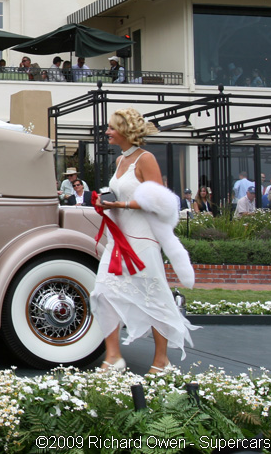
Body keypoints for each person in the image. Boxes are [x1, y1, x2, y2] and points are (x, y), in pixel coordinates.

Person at [92, 107, 197, 374]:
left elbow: (161, 203)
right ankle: (113, 357)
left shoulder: (146, 159)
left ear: (125, 131)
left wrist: (123, 203)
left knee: (154, 298)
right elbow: (118, 197)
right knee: (104, 294)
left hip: (143, 240)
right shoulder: (119, 162)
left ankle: (161, 361)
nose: (107, 132)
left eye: (111, 128)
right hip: (118, 241)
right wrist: (106, 204)